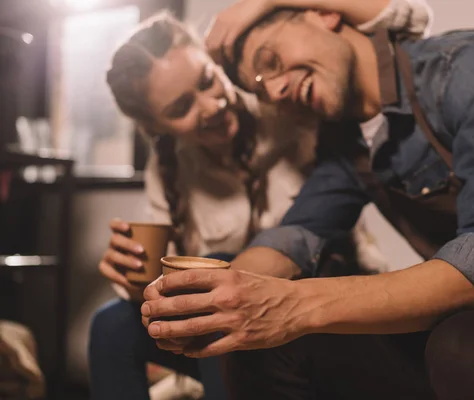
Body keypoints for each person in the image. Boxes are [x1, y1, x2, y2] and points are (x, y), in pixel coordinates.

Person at [140, 1, 474, 400]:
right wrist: (215, 299)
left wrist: (289, 305)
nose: (275, 90)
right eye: (262, 87)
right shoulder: (347, 142)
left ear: (324, 15)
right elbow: (293, 238)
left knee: (466, 346)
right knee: (262, 343)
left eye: (272, 60)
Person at [89, 2, 432, 399]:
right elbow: (169, 280)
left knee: (224, 326)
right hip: (230, 314)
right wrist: (133, 279)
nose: (212, 105)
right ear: (154, 127)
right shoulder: (167, 170)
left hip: (320, 303)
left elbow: (409, 16)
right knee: (112, 325)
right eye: (181, 108)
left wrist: (265, 3)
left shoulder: (285, 102)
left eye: (207, 80)